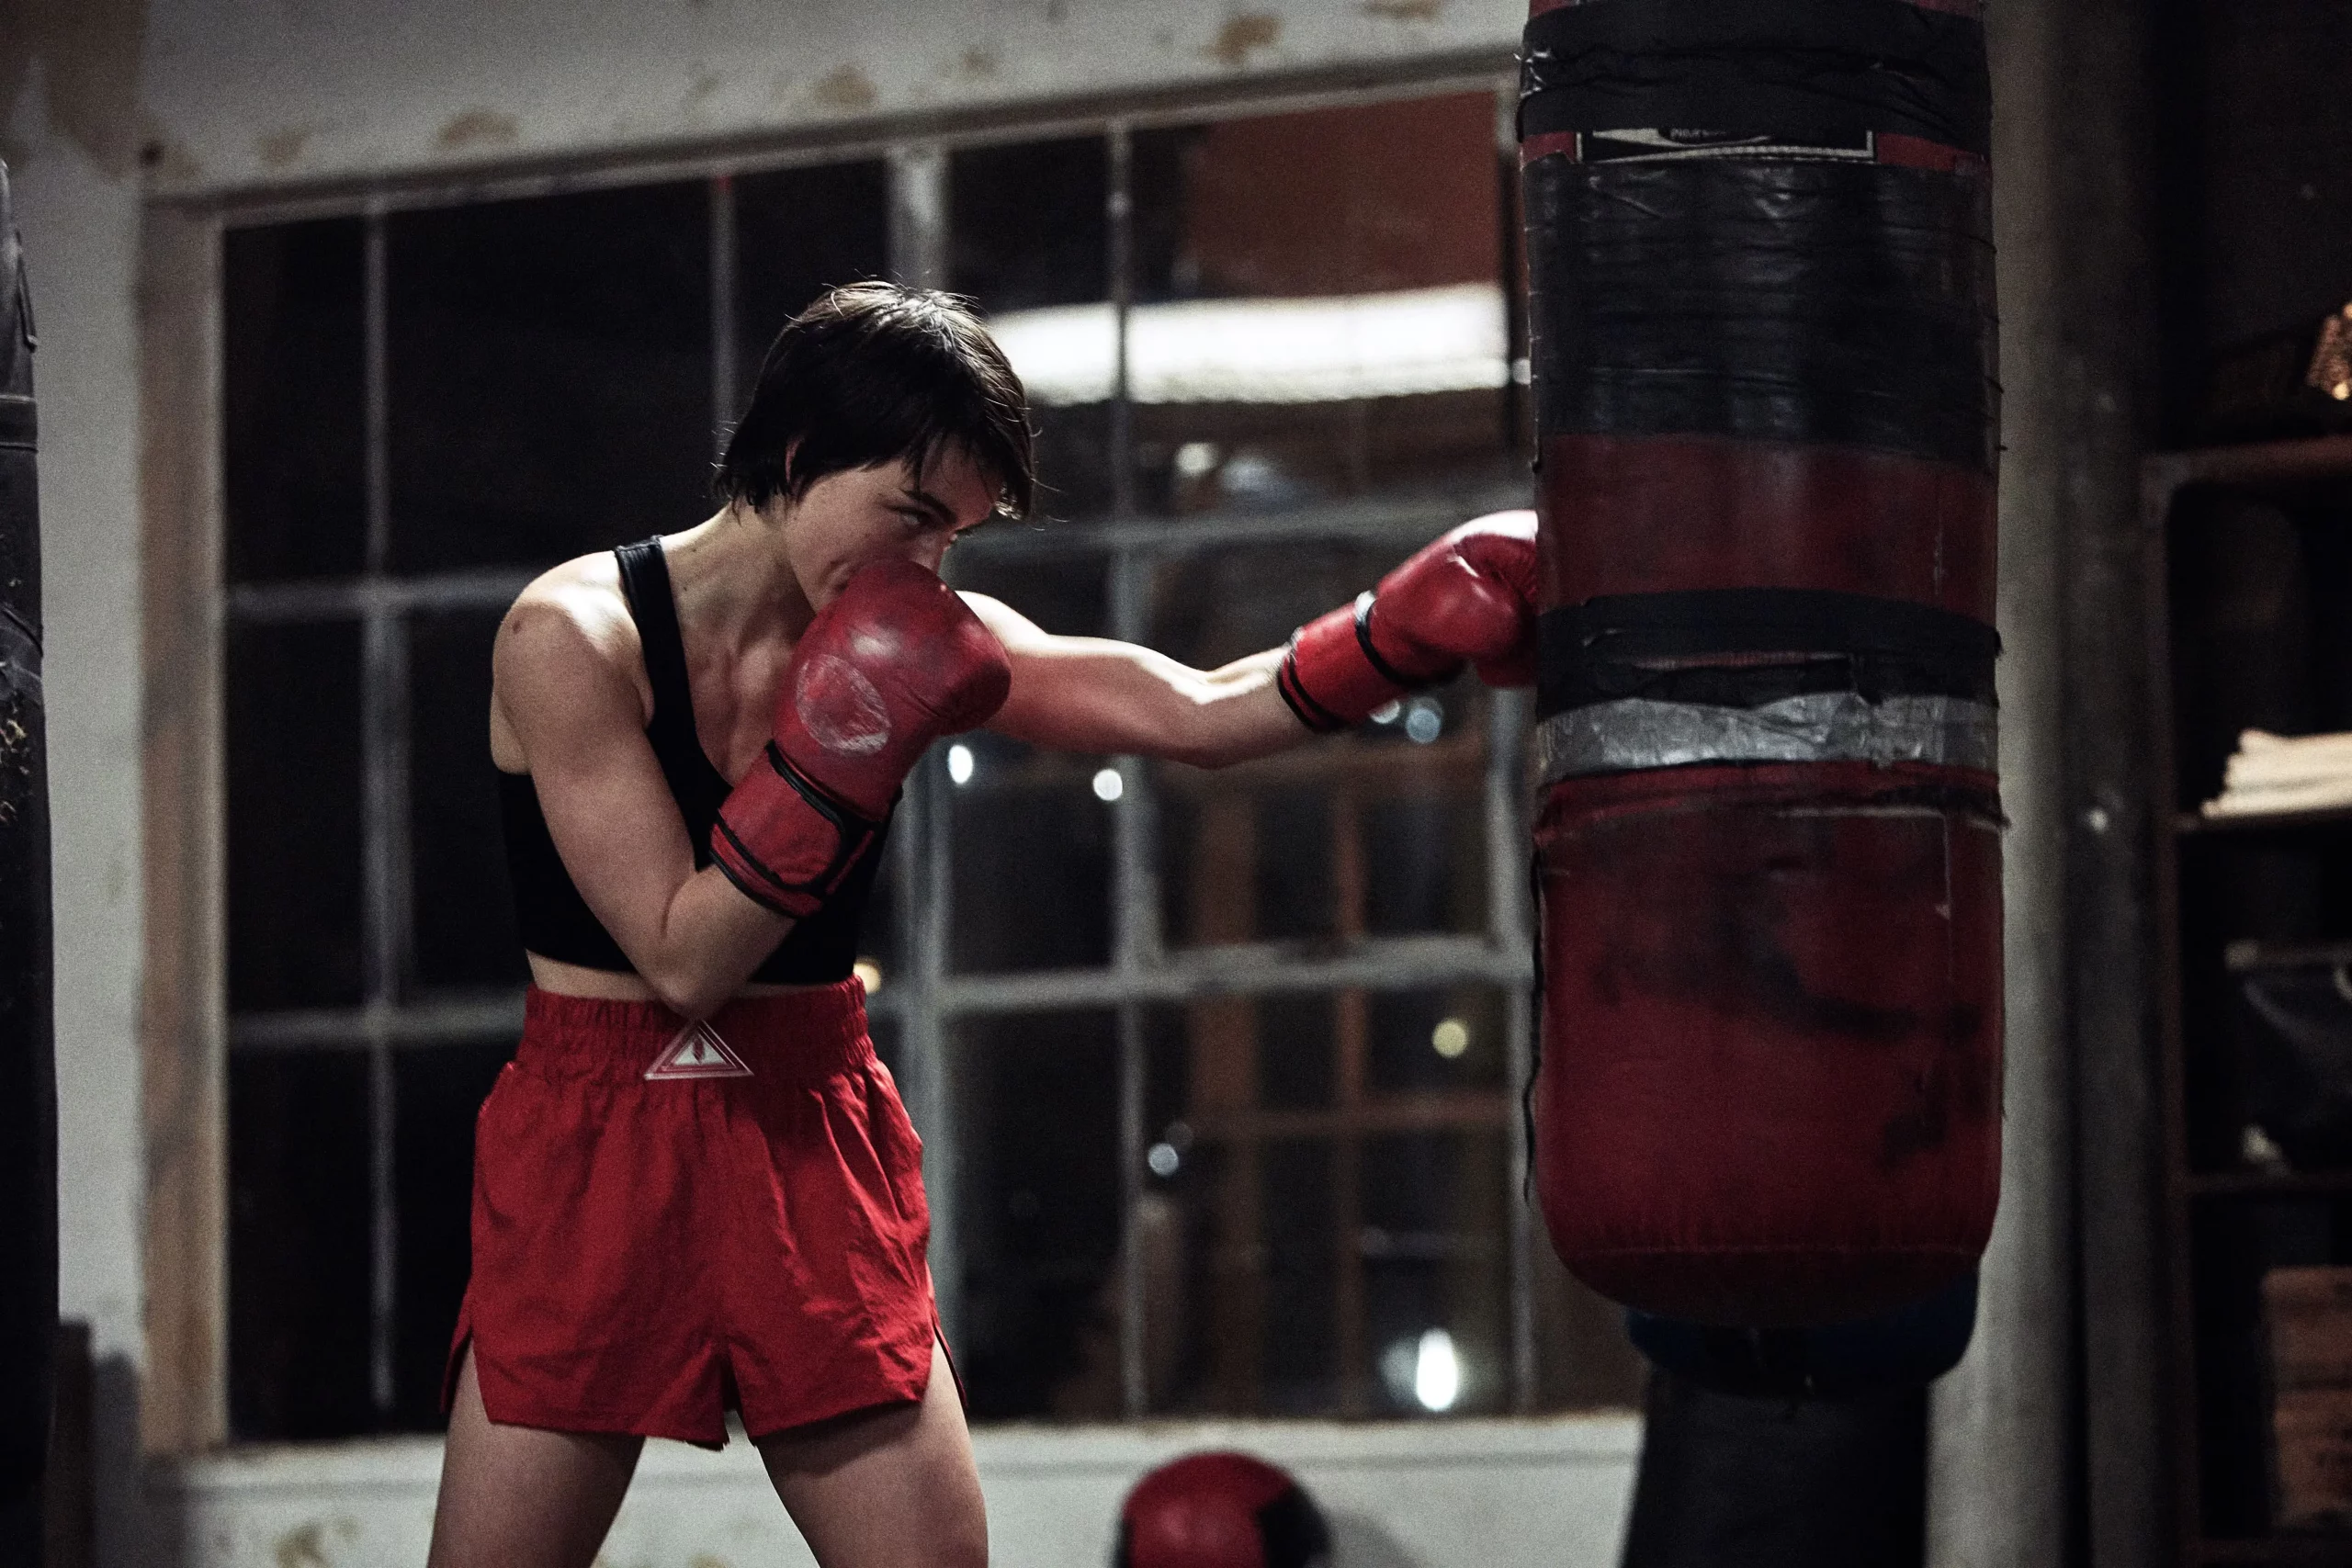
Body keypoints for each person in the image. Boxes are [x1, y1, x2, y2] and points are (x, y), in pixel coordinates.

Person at [427, 281, 1536, 1568]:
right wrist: (839, 751)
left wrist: (1391, 634)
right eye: (909, 515)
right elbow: (683, 958)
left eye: (952, 536)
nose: (923, 569)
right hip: (602, 1132)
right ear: (799, 454)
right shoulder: (571, 636)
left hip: (804, 1122)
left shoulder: (909, 628)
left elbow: (1192, 711)